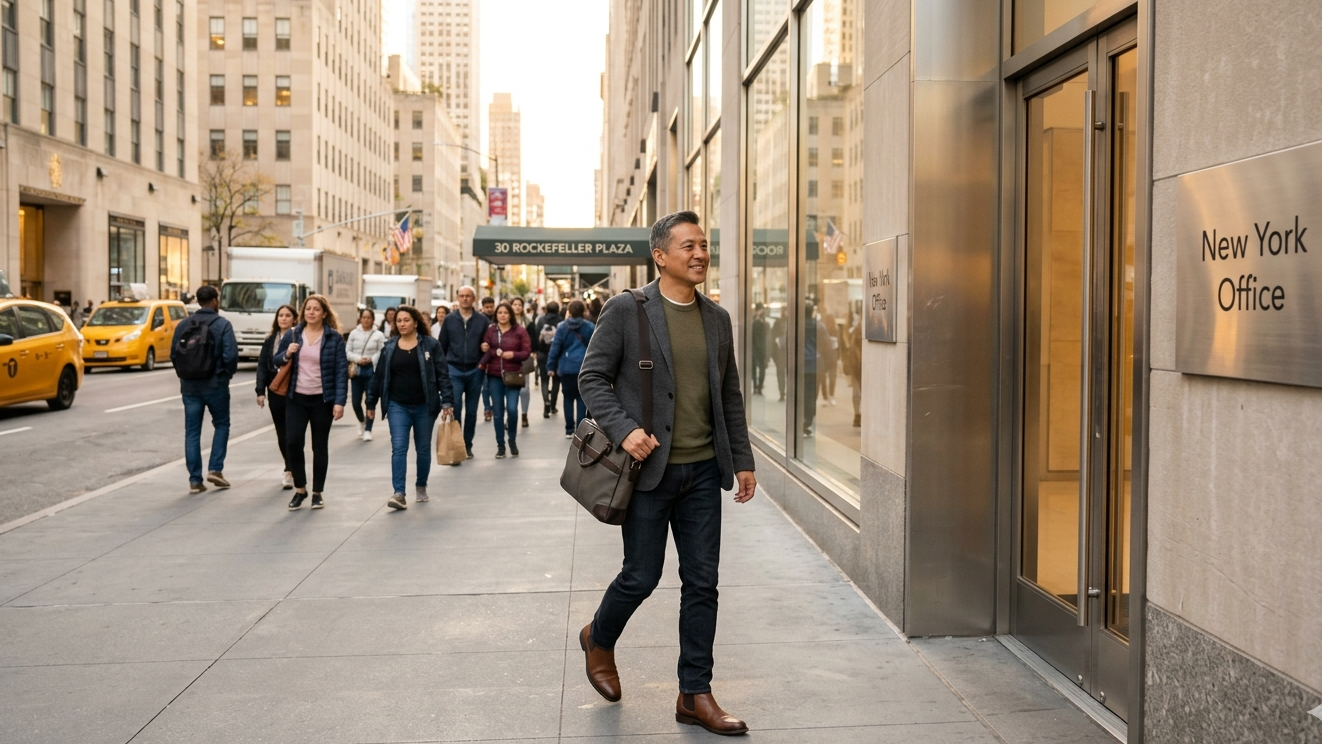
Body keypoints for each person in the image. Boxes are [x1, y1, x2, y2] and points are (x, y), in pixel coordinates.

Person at [577, 211, 756, 735]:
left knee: (703, 583)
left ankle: (693, 693)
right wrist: (625, 428)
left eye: (703, 245)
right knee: (642, 575)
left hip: (704, 472)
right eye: (687, 246)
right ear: (660, 255)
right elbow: (592, 378)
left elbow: (729, 395)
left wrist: (742, 459)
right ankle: (599, 637)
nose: (699, 254)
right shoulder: (626, 310)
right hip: (648, 473)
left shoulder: (717, 319)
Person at [366, 306, 454, 510]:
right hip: (398, 406)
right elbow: (378, 377)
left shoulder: (431, 345)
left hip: (425, 405)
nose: (402, 324)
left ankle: (421, 485)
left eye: (406, 320)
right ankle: (399, 493)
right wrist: (371, 402)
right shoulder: (389, 347)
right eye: (399, 321)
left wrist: (447, 401)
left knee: (423, 449)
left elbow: (443, 374)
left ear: (416, 322)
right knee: (399, 448)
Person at [274, 295, 348, 510]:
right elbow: (276, 360)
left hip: (322, 400)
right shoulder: (294, 333)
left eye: (316, 309)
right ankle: (300, 489)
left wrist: (339, 402)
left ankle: (317, 492)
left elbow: (341, 371)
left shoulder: (333, 338)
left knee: (319, 446)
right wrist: (287, 353)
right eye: (308, 309)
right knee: (293, 442)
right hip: (296, 398)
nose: (311, 312)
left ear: (324, 313)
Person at [172, 285, 239, 494]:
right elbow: (231, 356)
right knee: (221, 424)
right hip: (215, 384)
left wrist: (185, 376)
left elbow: (174, 354)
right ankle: (215, 469)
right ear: (215, 300)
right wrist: (225, 375)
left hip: (190, 386)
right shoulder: (222, 324)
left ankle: (194, 480)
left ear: (198, 301)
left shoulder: (183, 325)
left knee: (192, 432)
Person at [437, 285, 491, 460]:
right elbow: (441, 346)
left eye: (468, 296)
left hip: (475, 369)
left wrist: (484, 351)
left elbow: (488, 345)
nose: (465, 299)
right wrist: (442, 369)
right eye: (462, 296)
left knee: (472, 411)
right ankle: (457, 444)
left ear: (474, 299)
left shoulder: (482, 320)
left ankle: (468, 445)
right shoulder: (450, 319)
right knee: (456, 407)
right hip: (454, 369)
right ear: (457, 298)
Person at [478, 301, 530, 458]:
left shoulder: (519, 331)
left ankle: (512, 439)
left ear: (511, 315)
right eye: (499, 313)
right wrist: (484, 347)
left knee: (513, 410)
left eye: (505, 313)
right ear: (496, 315)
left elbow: (526, 351)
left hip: (513, 375)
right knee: (498, 412)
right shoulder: (491, 330)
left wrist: (513, 355)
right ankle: (500, 445)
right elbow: (486, 346)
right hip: (494, 376)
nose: (502, 315)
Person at [256, 303, 299, 489]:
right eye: (280, 315)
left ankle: (295, 467)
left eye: (287, 315)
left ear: (294, 319)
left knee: (293, 433)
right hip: (275, 388)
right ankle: (289, 469)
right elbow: (262, 366)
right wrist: (260, 391)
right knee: (282, 432)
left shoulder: (299, 337)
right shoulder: (270, 340)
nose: (283, 318)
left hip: (294, 389)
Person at [546, 299, 594, 438]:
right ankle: (579, 430)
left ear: (570, 311)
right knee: (581, 399)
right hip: (584, 367)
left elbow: (555, 348)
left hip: (566, 368)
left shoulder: (562, 327)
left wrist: (550, 366)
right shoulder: (590, 327)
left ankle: (568, 429)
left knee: (567, 398)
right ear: (583, 311)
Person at [346, 308, 386, 442]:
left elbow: (382, 351)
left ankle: (368, 429)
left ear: (373, 319)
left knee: (370, 400)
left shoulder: (378, 335)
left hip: (371, 370)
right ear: (360, 318)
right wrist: (358, 359)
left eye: (369, 317)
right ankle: (361, 420)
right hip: (357, 370)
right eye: (364, 317)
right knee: (356, 402)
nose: (366, 320)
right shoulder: (353, 333)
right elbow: (347, 351)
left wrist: (371, 359)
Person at [532, 301, 563, 419]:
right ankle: (553, 405)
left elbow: (536, 336)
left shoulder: (540, 320)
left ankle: (546, 404)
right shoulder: (561, 321)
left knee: (544, 380)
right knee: (556, 381)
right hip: (557, 355)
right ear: (558, 310)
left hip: (542, 354)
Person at [511, 297, 533, 428]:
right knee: (509, 387)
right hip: (508, 359)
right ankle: (510, 415)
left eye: (519, 305)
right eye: (515, 304)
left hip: (524, 358)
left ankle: (524, 414)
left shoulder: (528, 321)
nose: (517, 307)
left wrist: (533, 351)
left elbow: (533, 338)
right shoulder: (505, 321)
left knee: (524, 389)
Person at [479, 296, 497, 420]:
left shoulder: (498, 318)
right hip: (484, 356)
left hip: (496, 356)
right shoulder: (480, 320)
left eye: (491, 307)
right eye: (487, 307)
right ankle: (487, 408)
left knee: (495, 385)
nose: (489, 309)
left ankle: (495, 406)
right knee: (485, 386)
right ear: (483, 307)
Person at [750, 303, 769, 395]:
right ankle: (755, 386)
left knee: (762, 369)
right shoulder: (753, 322)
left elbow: (767, 336)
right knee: (754, 369)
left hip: (762, 350)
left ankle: (759, 386)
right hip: (754, 349)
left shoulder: (764, 323)